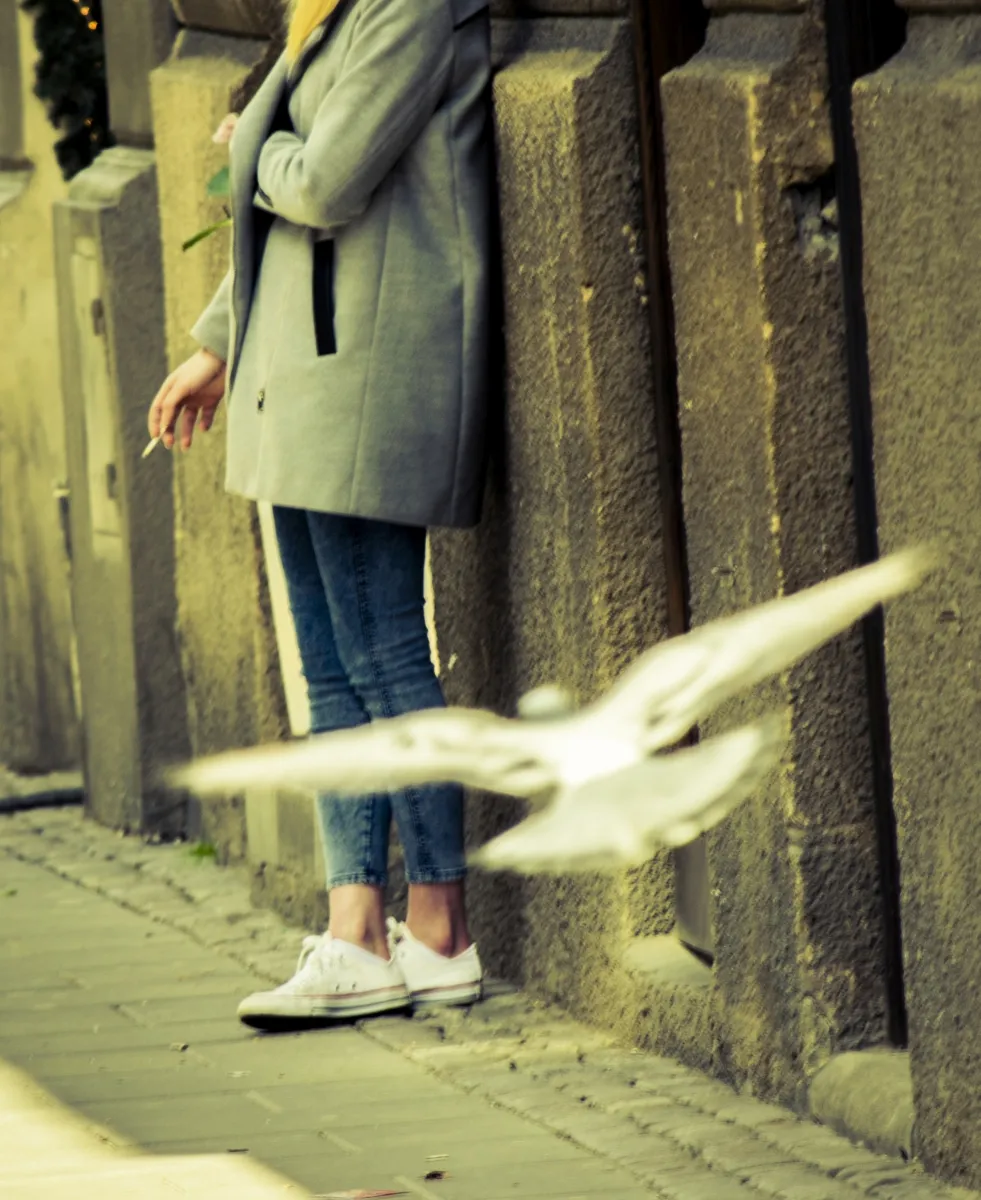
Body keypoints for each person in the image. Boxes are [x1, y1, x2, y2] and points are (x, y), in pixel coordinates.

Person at [148, 0, 492, 1028]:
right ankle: (354, 931)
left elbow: (326, 180)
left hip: (369, 361)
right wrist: (215, 345)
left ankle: (436, 928)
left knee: (384, 647)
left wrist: (252, 139)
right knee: (330, 662)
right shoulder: (333, 9)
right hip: (297, 362)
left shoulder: (413, 5)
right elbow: (285, 202)